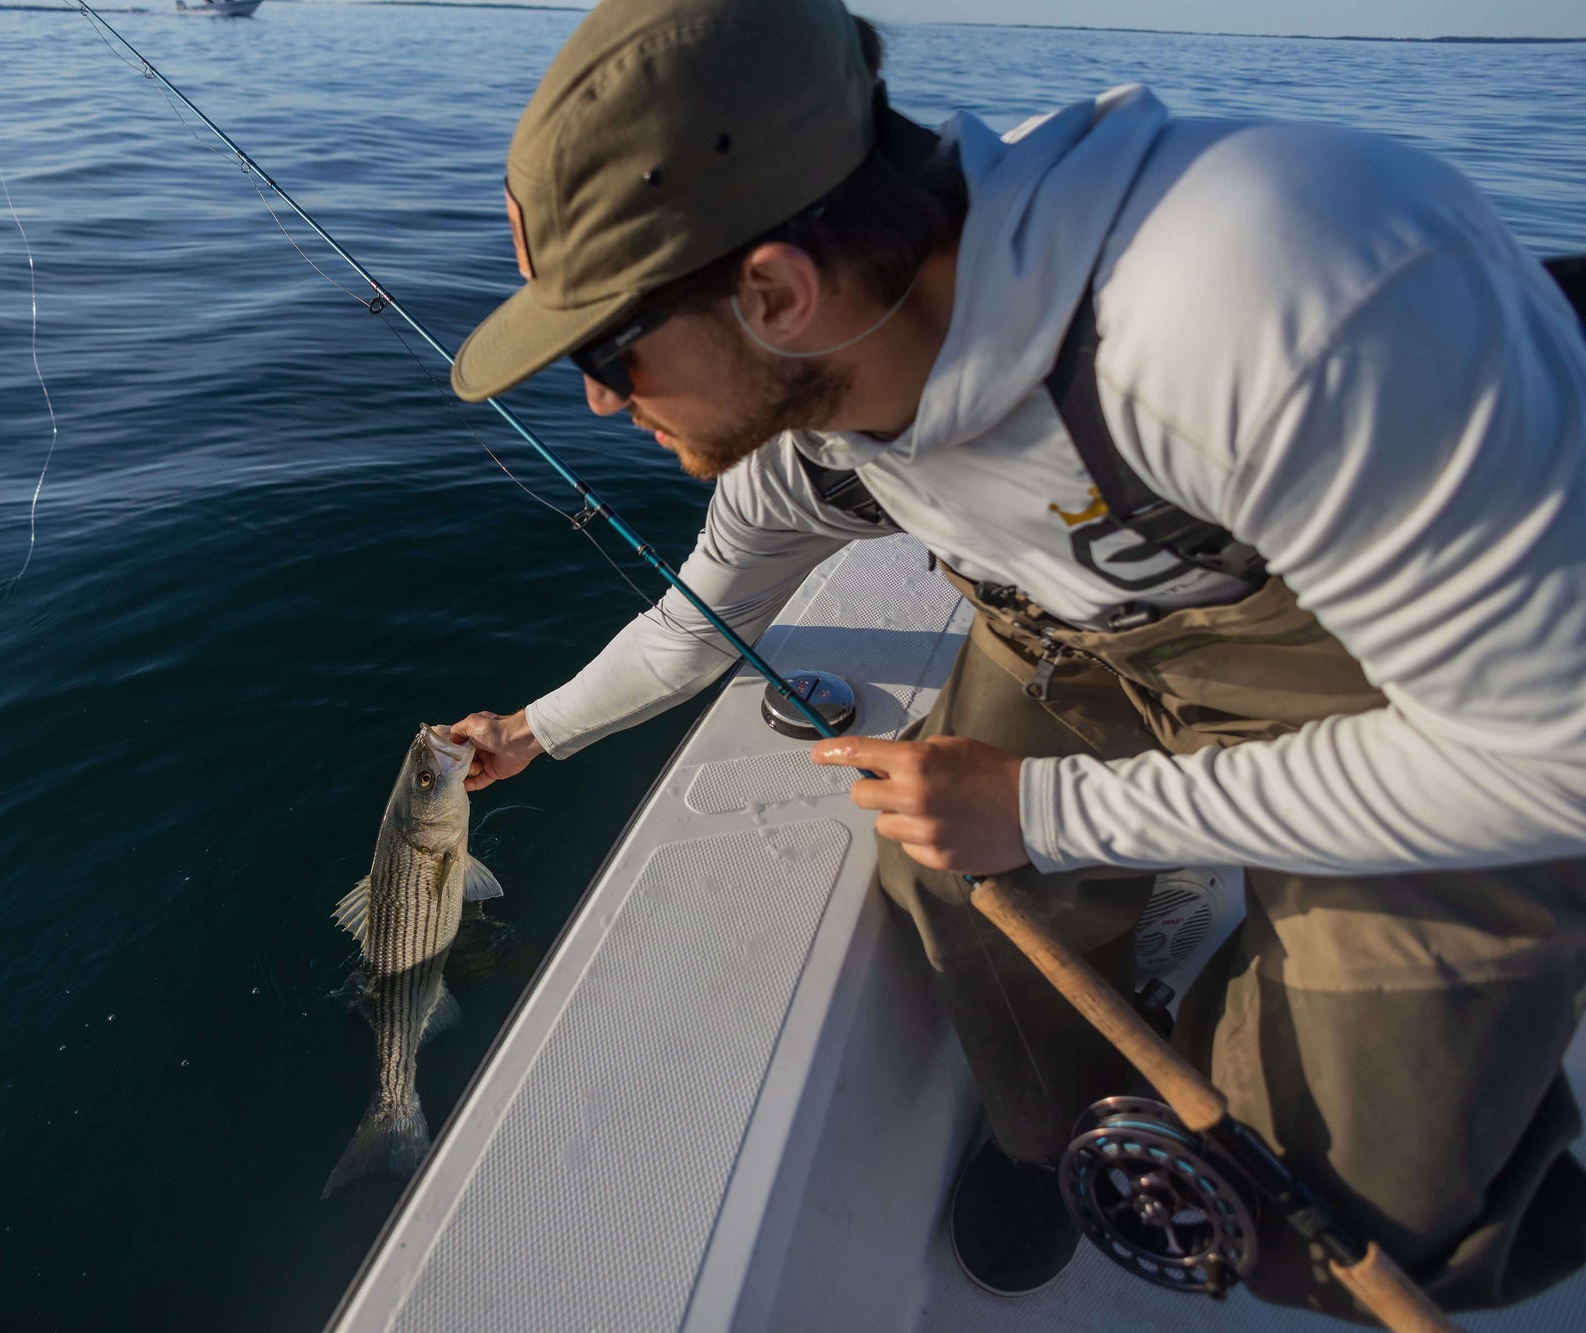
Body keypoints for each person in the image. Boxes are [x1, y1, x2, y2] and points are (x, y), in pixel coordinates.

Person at [446, 0, 1586, 1317]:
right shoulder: (803, 433)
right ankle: (1051, 1135)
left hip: (1431, 688)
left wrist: (1043, 809)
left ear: (774, 291)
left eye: (606, 350)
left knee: (1338, 1209)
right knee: (944, 885)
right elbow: (686, 627)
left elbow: (1550, 764)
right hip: (1087, 637)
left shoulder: (1258, 303)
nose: (595, 399)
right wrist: (531, 729)